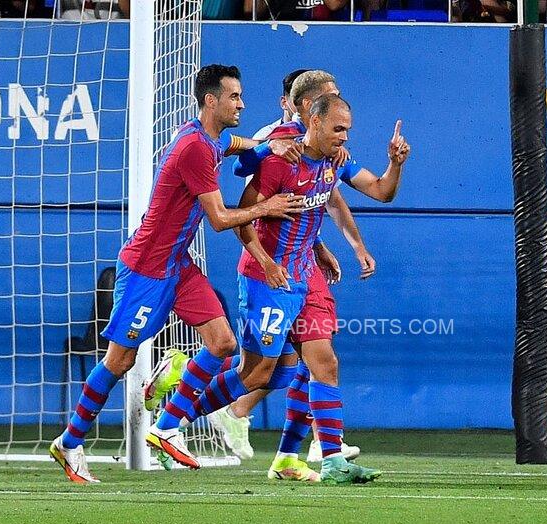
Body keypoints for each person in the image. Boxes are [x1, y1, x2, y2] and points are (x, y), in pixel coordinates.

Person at [49, 64, 306, 484]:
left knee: (223, 343)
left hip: (178, 265)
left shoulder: (205, 137)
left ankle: (167, 426)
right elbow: (221, 219)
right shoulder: (194, 149)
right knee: (120, 360)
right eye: (234, 96)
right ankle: (71, 442)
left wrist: (264, 148)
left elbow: (233, 144)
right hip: (147, 268)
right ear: (212, 100)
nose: (242, 103)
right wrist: (266, 208)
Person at [151, 94, 392, 484]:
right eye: (338, 127)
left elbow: (363, 194)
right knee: (259, 372)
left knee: (316, 365)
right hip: (269, 277)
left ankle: (325, 460)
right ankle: (170, 421)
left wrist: (327, 246)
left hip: (304, 275)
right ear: (307, 113)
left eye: (348, 127)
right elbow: (244, 204)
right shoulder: (279, 150)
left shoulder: (333, 159)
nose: (345, 135)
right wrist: (267, 262)